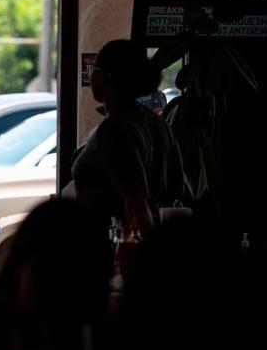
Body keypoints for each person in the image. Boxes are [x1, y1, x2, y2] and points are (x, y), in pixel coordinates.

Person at [72, 40, 185, 235]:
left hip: (115, 247)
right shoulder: (158, 122)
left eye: (95, 70)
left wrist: (139, 257)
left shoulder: (115, 129)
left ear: (106, 77)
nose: (91, 77)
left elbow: (135, 205)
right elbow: (178, 187)